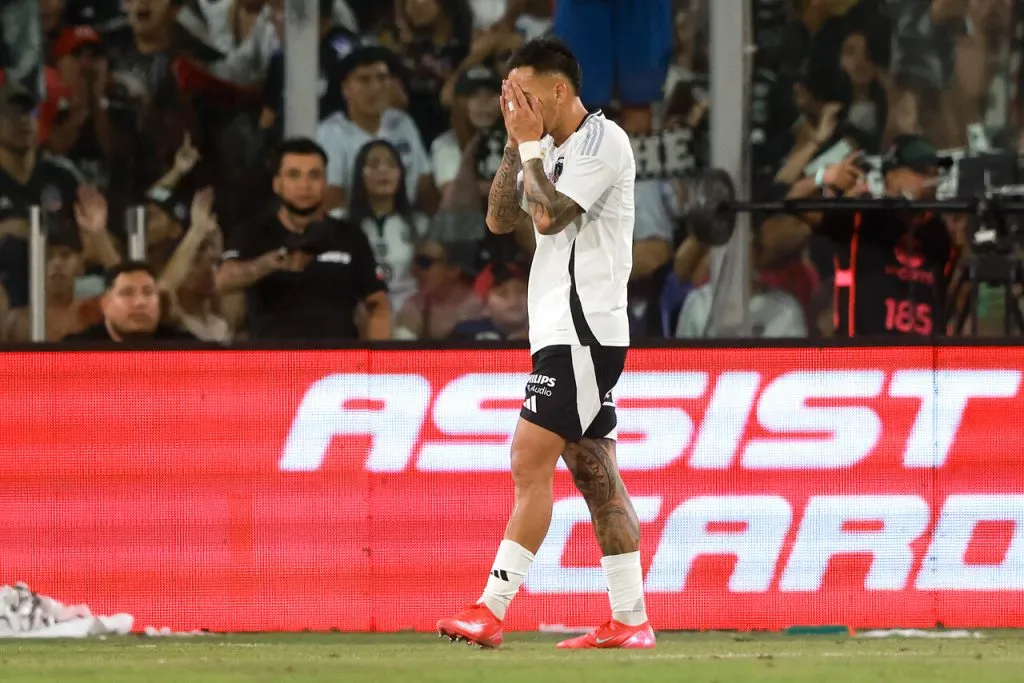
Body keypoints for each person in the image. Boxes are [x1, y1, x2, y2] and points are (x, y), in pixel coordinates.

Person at [436, 37, 655, 650]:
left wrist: (531, 145)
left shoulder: (602, 141)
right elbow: (500, 218)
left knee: (529, 461)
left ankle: (492, 608)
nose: (516, 106)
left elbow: (550, 215)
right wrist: (516, 142)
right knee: (595, 473)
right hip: (561, 331)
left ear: (559, 90)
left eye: (523, 96)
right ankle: (630, 619)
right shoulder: (542, 146)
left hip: (583, 331)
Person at [767, 134, 957, 337]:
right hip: (863, 355)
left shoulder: (939, 233)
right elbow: (794, 202)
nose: (931, 179)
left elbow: (949, 297)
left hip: (921, 360)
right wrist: (824, 177)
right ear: (890, 175)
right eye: (920, 171)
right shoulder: (862, 216)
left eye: (935, 172)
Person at [216, 138, 391, 340]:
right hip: (272, 363)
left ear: (325, 183)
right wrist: (269, 264)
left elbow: (378, 303)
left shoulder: (350, 235)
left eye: (314, 175)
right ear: (277, 184)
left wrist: (375, 361)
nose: (305, 185)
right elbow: (223, 280)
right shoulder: (252, 232)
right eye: (294, 175)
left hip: (338, 364)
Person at [315, 45, 435, 213]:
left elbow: (424, 186)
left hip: (404, 227)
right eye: (364, 80)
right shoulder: (330, 133)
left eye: (382, 78)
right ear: (345, 89)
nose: (375, 87)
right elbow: (332, 200)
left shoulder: (403, 123)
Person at [347, 140, 430, 318]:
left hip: (409, 312)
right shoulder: (343, 224)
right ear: (359, 174)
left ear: (400, 174)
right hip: (359, 312)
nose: (383, 171)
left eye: (391, 165)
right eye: (374, 164)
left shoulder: (420, 224)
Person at [63, 260, 198, 342]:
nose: (140, 302)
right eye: (127, 293)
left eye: (148, 292)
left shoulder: (185, 348)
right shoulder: (76, 352)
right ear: (105, 304)